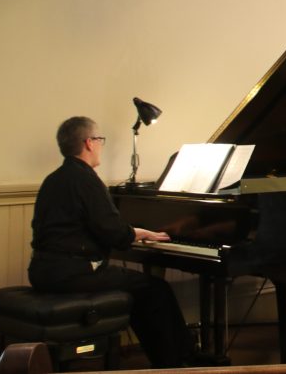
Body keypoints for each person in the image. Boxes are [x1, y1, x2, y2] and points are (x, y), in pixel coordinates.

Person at [29, 117, 195, 368]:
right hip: (73, 274)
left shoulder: (54, 179)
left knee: (142, 288)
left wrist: (132, 231)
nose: (100, 146)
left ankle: (177, 357)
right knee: (155, 290)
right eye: (100, 140)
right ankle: (176, 362)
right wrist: (139, 233)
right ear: (89, 143)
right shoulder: (86, 179)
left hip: (42, 271)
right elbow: (114, 233)